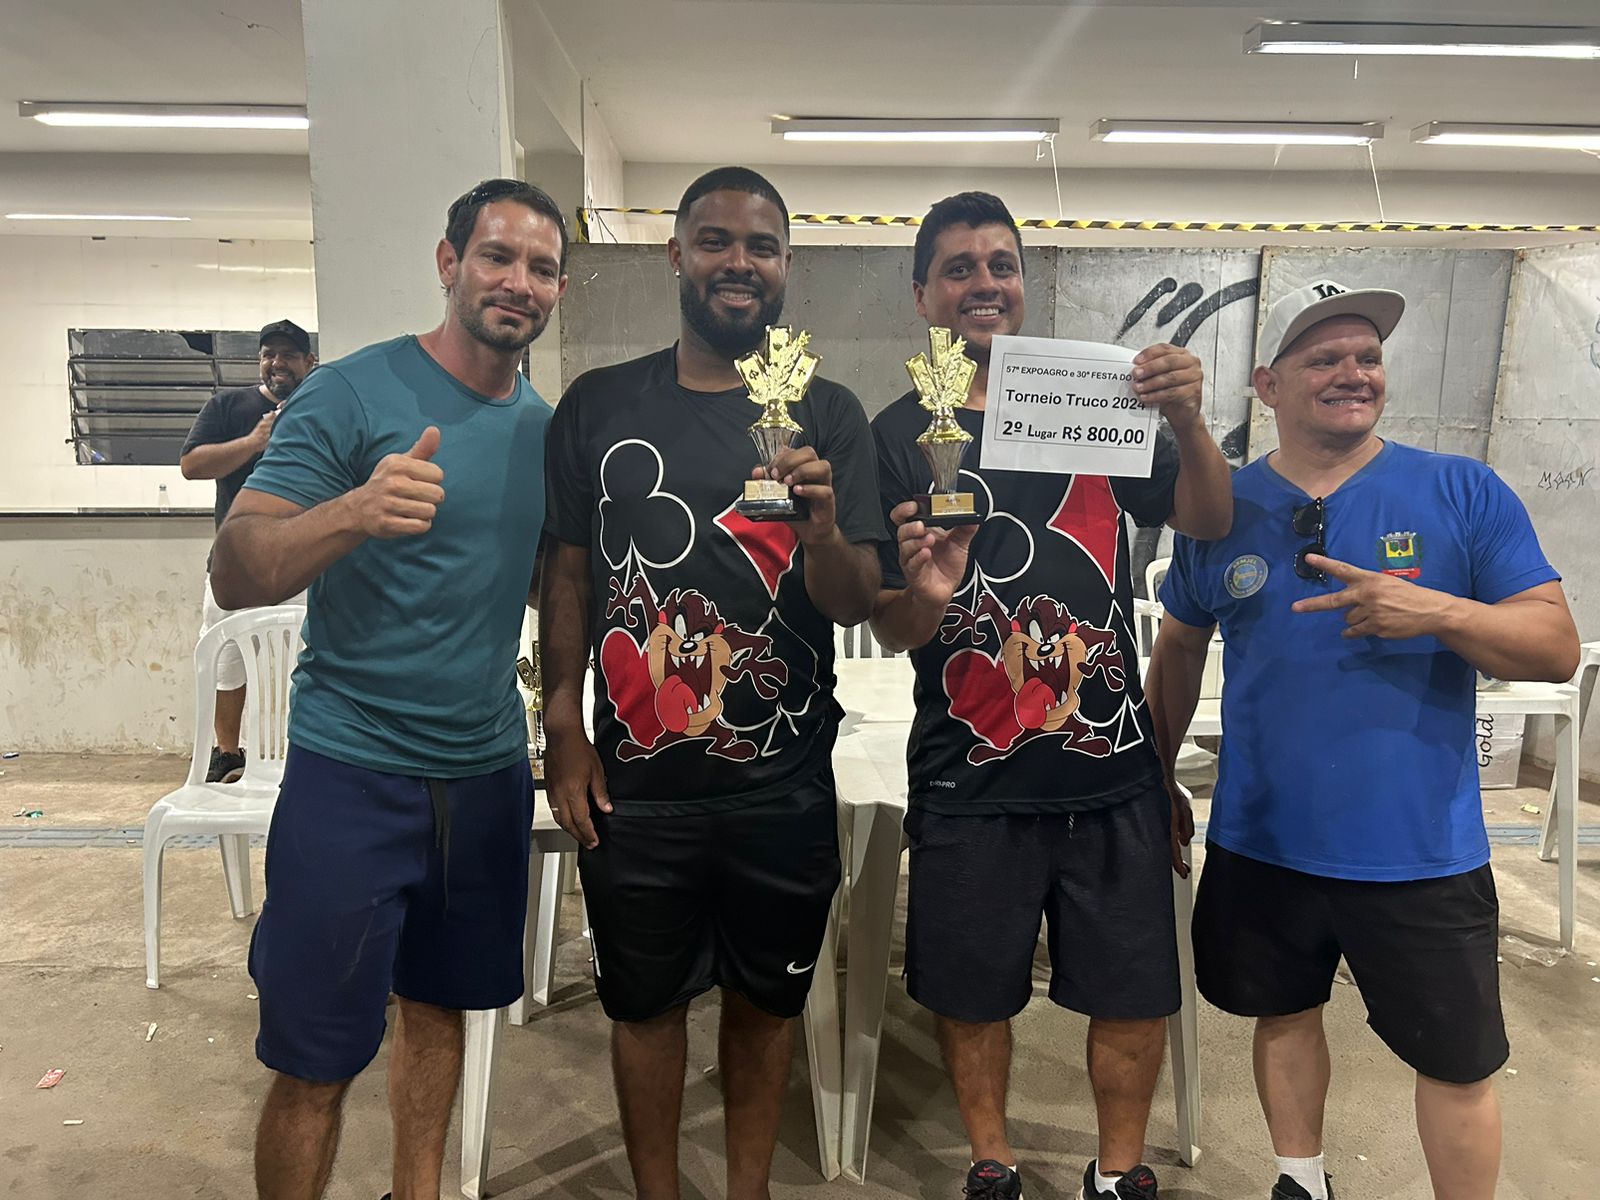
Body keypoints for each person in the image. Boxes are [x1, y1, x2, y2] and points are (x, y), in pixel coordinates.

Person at [1147, 280, 1580, 1200]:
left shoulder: (1461, 490)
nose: (1354, 373)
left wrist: (1437, 610)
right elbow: (1178, 644)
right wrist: (1154, 775)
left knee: (1457, 1060)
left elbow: (1554, 646)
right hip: (1264, 839)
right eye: (1325, 359)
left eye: (1369, 357)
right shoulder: (1221, 508)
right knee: (1282, 1013)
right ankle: (1301, 1179)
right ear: (1268, 385)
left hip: (1419, 850)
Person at [868, 191, 1233, 1200]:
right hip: (968, 772)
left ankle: (1118, 1172)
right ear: (922, 296)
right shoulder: (897, 434)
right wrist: (925, 594)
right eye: (958, 268)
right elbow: (892, 626)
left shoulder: (1104, 400)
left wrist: (1187, 416)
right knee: (970, 992)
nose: (983, 284)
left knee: (1133, 992)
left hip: (1111, 768)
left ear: (1023, 283)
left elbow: (1207, 518)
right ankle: (991, 1162)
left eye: (1001, 264)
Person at [209, 178, 569, 1200]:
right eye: (497, 256)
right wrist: (353, 512)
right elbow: (235, 570)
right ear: (449, 263)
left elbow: (549, 585)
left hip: (484, 775)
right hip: (351, 773)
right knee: (315, 1056)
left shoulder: (545, 431)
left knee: (440, 1011)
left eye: (542, 268)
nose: (519, 282)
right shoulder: (349, 393)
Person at [539, 165, 884, 1200]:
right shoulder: (599, 405)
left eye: (761, 246)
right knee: (643, 1008)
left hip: (780, 783)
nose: (739, 262)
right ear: (676, 255)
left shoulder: (827, 413)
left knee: (766, 1007)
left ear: (787, 267)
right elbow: (568, 572)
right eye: (716, 241)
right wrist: (562, 722)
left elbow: (854, 601)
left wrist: (823, 530)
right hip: (635, 787)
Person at [179, 319, 316, 781]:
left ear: (309, 362)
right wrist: (254, 441)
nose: (277, 363)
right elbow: (192, 465)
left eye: (288, 355)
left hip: (304, 564)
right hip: (233, 567)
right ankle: (227, 752)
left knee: (309, 662)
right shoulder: (227, 407)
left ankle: (304, 754)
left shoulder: (322, 409)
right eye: (268, 355)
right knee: (226, 660)